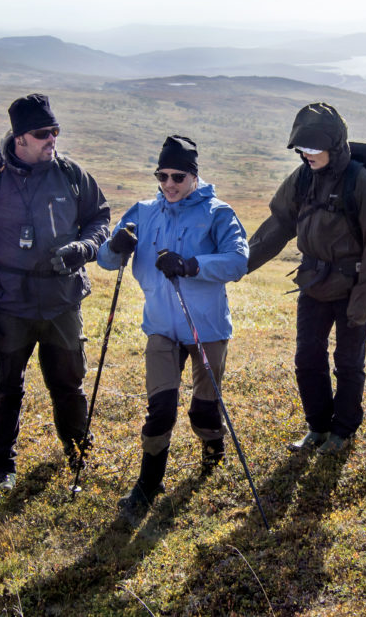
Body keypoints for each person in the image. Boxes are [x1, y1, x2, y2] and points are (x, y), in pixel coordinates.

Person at [0, 93, 111, 494]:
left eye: (55, 131)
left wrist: (84, 249)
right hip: (8, 306)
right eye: (43, 133)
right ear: (19, 137)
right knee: (4, 389)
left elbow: (100, 218)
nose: (52, 139)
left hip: (61, 302)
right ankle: (0, 469)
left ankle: (79, 454)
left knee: (69, 384)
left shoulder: (72, 175)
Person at [97, 135, 248, 519]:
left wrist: (191, 265)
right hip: (161, 327)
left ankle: (213, 455)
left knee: (203, 409)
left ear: (194, 176)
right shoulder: (144, 211)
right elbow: (106, 261)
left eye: (178, 176)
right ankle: (148, 484)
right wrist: (117, 246)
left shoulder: (218, 213)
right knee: (160, 408)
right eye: (162, 175)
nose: (169, 184)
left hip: (207, 329)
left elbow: (237, 261)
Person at [246, 103, 366, 455]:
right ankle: (318, 427)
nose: (305, 155)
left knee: (349, 363)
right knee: (307, 358)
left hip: (352, 288)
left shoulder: (359, 181)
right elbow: (278, 226)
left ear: (334, 145)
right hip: (313, 285)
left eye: (313, 148)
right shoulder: (302, 179)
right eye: (301, 149)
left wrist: (362, 303)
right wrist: (240, 264)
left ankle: (343, 431)